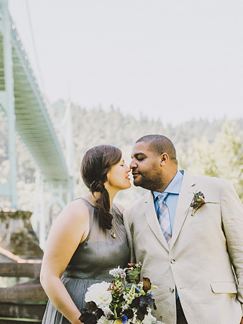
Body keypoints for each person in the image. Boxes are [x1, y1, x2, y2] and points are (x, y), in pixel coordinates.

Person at [124, 134, 243, 324]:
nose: (131, 165)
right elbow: (134, 273)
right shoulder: (131, 214)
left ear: (163, 159)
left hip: (218, 314)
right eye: (131, 159)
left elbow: (241, 253)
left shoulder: (218, 190)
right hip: (160, 317)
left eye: (140, 158)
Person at [40, 145, 132, 324]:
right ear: (106, 172)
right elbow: (48, 276)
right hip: (76, 314)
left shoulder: (121, 212)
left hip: (112, 316)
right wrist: (79, 321)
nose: (128, 169)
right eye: (122, 165)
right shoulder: (77, 212)